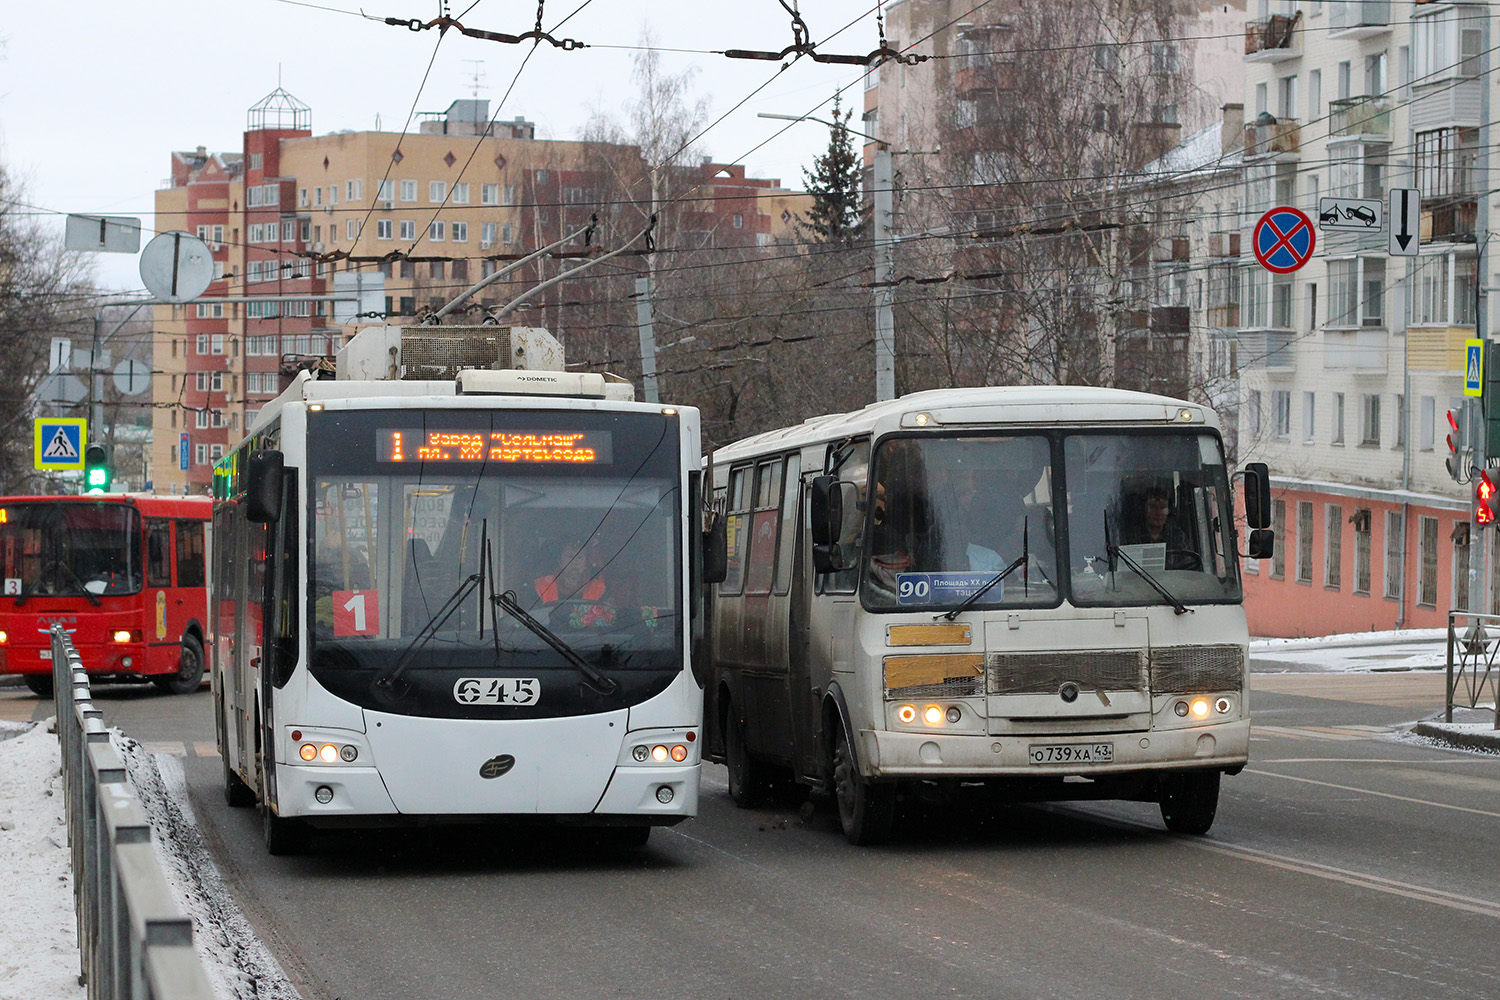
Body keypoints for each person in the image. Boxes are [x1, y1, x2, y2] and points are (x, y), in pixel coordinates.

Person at [534, 538, 614, 627]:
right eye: (569, 556)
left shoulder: (600, 588)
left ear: (586, 562)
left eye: (580, 557)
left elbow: (608, 621)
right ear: (560, 561)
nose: (574, 561)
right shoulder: (541, 586)